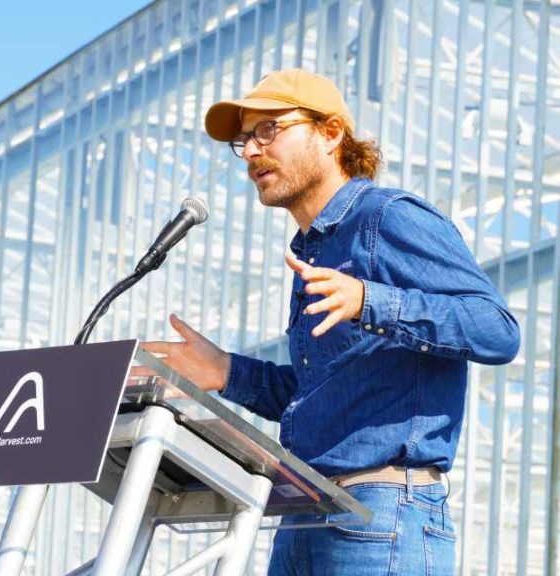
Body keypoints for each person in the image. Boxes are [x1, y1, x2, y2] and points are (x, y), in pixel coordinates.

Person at [142, 68, 520, 575]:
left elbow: (497, 329)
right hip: (305, 514)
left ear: (331, 132)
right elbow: (321, 396)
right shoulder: (314, 250)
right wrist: (226, 372)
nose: (251, 151)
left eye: (268, 130)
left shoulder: (386, 217)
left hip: (382, 516)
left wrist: (369, 300)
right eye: (244, 140)